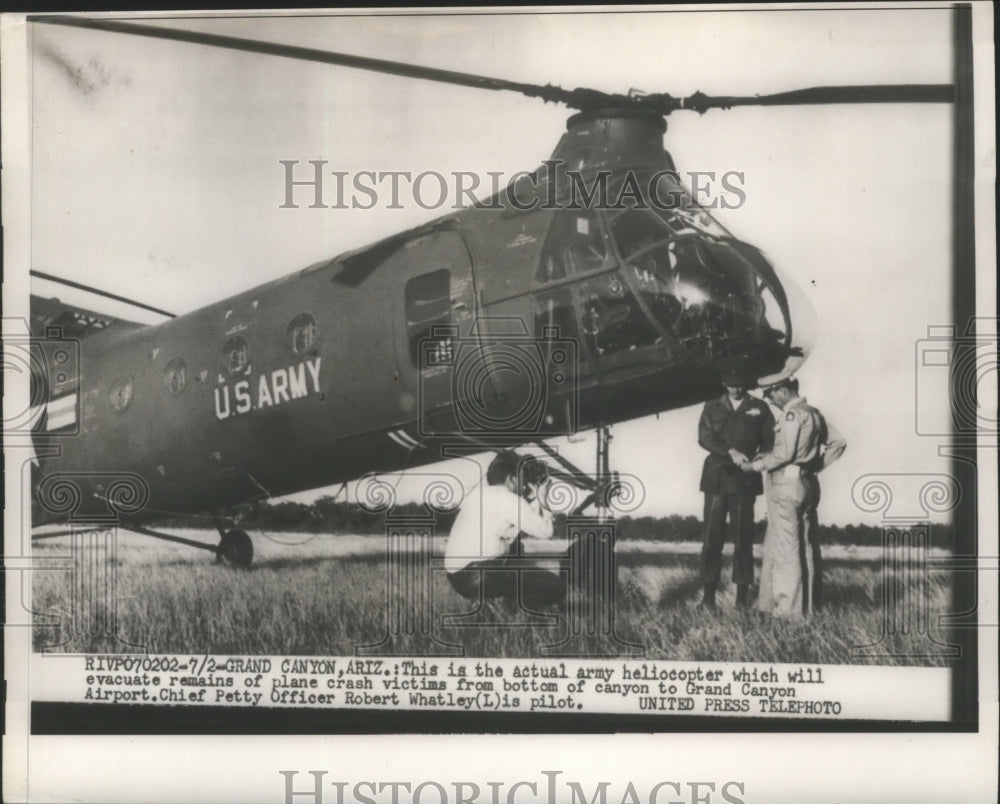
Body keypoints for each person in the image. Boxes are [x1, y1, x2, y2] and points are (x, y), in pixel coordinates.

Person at [742, 377, 846, 619]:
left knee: (786, 551)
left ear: (783, 389)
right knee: (806, 546)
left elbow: (785, 453)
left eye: (770, 393)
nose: (769, 399)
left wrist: (755, 466)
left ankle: (788, 613)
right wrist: (814, 467)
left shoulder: (791, 415)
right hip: (808, 484)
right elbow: (838, 442)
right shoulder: (814, 413)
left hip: (786, 486)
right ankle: (809, 608)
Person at [444, 451, 565, 610]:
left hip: (458, 578)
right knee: (557, 587)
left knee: (515, 551)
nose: (523, 483)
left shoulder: (479, 495)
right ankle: (514, 612)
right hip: (481, 574)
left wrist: (530, 500)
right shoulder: (509, 499)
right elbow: (546, 532)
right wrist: (543, 500)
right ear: (511, 478)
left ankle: (489, 605)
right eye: (521, 478)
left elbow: (511, 531)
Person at [697, 369, 775, 610]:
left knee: (743, 540)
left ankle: (741, 601)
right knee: (711, 541)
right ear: (723, 383)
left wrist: (760, 456)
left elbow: (770, 438)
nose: (737, 389)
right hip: (717, 480)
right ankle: (708, 599)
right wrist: (730, 451)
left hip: (745, 480)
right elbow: (705, 437)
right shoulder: (712, 407)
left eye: (741, 384)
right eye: (732, 385)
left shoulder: (759, 407)